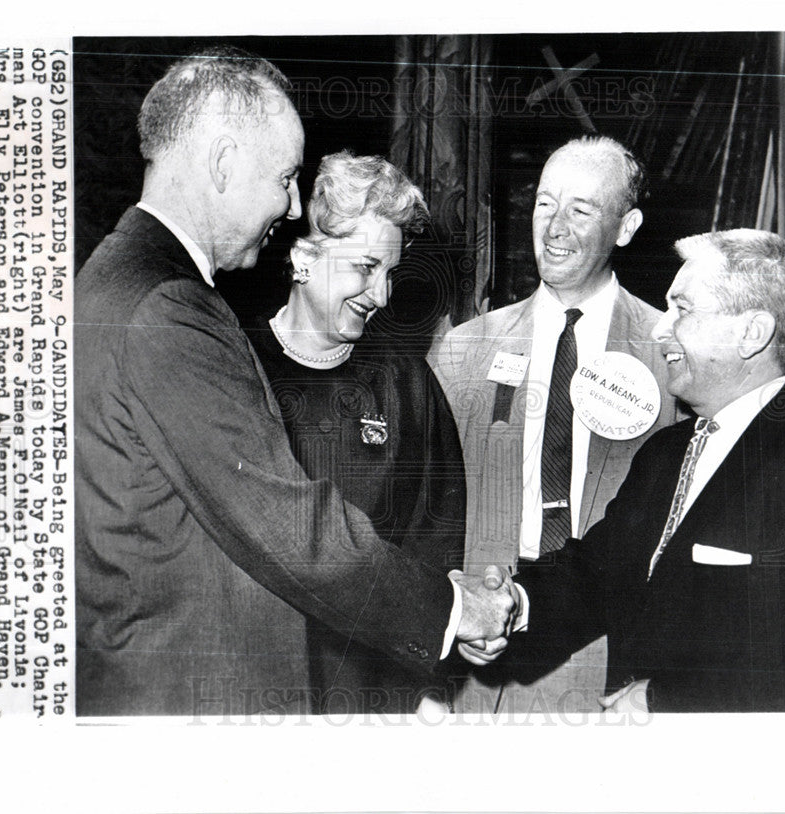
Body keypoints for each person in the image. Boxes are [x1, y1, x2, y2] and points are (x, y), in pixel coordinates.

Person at [74, 48, 516, 717]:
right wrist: (458, 610)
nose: (288, 204)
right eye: (283, 178)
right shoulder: (168, 306)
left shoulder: (111, 278)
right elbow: (292, 530)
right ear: (224, 164)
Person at [465, 229, 785, 713]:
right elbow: (596, 573)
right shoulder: (665, 453)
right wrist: (512, 607)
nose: (659, 328)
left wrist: (664, 702)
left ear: (751, 333)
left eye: (683, 310)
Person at [429, 134, 681, 713]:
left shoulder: (670, 357)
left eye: (581, 209)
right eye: (545, 203)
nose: (554, 227)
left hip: (611, 667)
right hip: (482, 663)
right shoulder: (462, 352)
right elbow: (428, 517)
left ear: (626, 226)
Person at [244, 151, 466, 713]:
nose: (383, 295)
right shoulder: (236, 367)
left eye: (391, 273)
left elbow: (437, 536)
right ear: (302, 259)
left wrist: (428, 688)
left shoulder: (405, 380)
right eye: (365, 268)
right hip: (261, 681)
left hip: (377, 691)